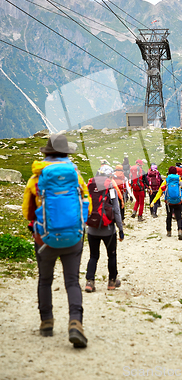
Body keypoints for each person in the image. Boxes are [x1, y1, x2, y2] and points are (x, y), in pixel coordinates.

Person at [22, 133, 91, 348]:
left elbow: (27, 212)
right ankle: (75, 323)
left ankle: (47, 322)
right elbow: (86, 203)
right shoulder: (75, 176)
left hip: (45, 239)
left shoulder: (36, 178)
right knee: (72, 281)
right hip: (73, 238)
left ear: (47, 154)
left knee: (45, 280)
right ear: (66, 153)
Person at [85, 167, 124, 293]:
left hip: (91, 229)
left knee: (93, 256)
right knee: (111, 255)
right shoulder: (111, 188)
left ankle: (89, 282)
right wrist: (121, 228)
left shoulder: (89, 185)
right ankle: (112, 281)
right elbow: (116, 210)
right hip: (108, 230)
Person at [151, 166, 182, 239]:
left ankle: (169, 231)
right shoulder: (179, 180)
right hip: (178, 201)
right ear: (176, 172)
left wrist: (153, 201)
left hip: (169, 202)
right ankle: (180, 230)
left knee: (169, 216)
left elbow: (160, 192)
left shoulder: (166, 181)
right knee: (179, 217)